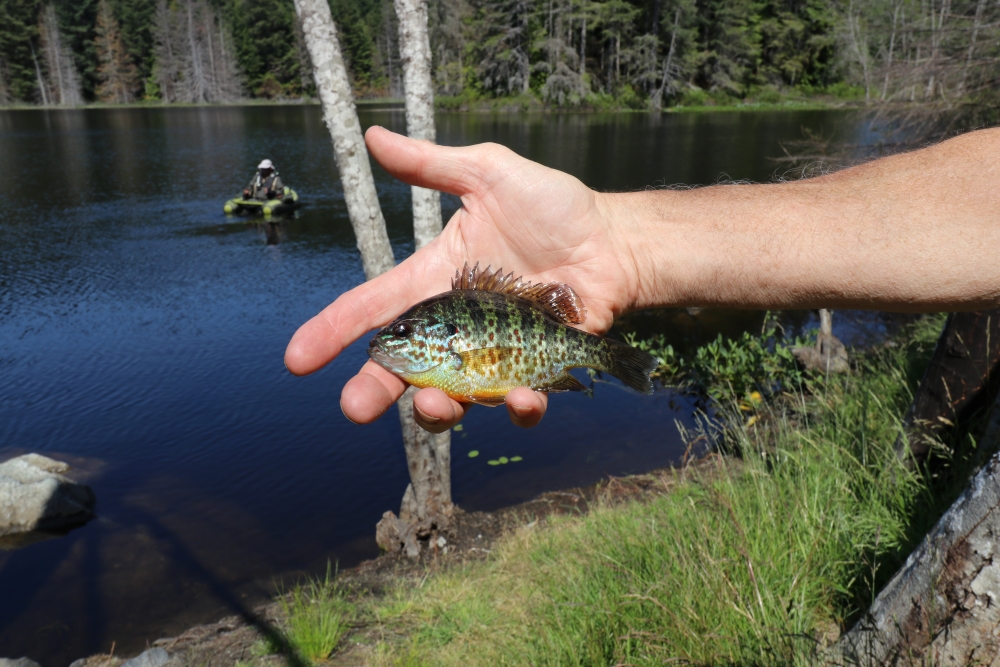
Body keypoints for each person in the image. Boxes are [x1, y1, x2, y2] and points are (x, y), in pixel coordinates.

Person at [285, 125, 1000, 433]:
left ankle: (609, 358)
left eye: (407, 333)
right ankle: (614, 356)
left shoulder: (463, 335)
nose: (395, 339)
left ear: (440, 345)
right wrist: (620, 243)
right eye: (404, 336)